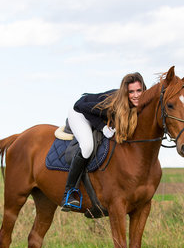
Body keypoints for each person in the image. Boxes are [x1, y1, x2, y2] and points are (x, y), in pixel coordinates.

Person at [61, 72, 146, 211]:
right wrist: (102, 127)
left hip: (93, 113)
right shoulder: (114, 104)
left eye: (139, 90)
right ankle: (68, 194)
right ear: (126, 92)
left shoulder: (140, 104)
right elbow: (81, 108)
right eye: (131, 92)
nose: (136, 95)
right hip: (80, 112)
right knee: (87, 147)